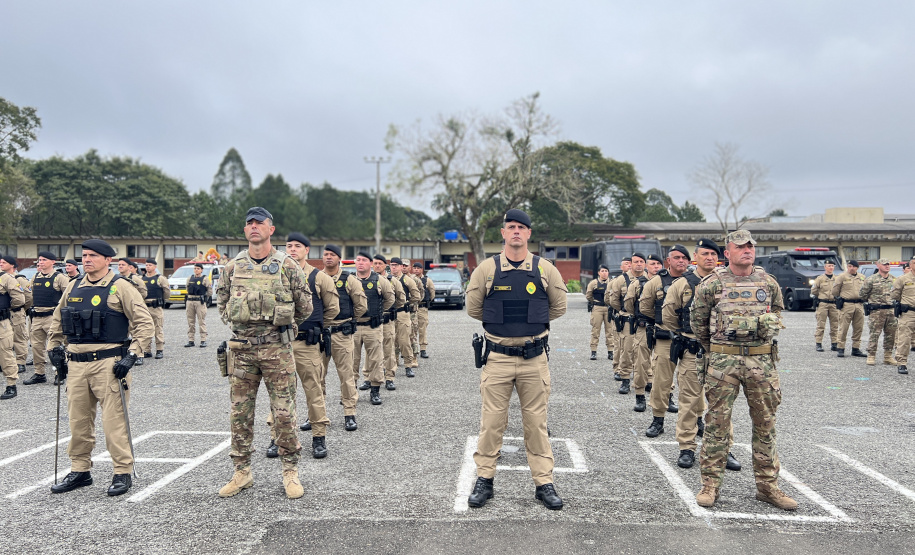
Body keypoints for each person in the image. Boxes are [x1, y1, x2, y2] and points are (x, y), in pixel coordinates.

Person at [465, 208, 568, 510]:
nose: (516, 232)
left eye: (522, 227)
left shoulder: (545, 269)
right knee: (492, 422)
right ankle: (485, 479)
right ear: (503, 233)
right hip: (497, 357)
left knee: (536, 423)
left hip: (534, 358)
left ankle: (544, 482)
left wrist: (531, 321)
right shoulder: (486, 269)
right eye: (511, 227)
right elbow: (474, 309)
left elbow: (559, 306)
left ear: (529, 234)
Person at [691, 230, 796, 511]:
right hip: (723, 363)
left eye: (750, 246)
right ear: (728, 252)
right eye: (740, 246)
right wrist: (719, 349)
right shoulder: (712, 284)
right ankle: (710, 485)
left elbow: (776, 316)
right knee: (717, 426)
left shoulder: (768, 282)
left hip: (762, 363)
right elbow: (699, 325)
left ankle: (768, 487)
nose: (747, 250)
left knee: (765, 426)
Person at [216, 207, 312, 499]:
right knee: (240, 413)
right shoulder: (232, 268)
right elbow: (222, 307)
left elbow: (305, 306)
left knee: (284, 413)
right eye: (249, 224)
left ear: (271, 230)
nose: (254, 227)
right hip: (242, 349)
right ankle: (242, 472)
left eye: (260, 223)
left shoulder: (288, 265)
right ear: (245, 231)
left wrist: (282, 330)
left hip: (277, 350)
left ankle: (290, 471)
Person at [46, 239, 154, 496]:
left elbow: (144, 323)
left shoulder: (120, 288)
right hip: (76, 364)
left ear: (108, 260)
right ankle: (80, 470)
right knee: (78, 421)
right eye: (84, 255)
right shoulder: (72, 286)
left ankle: (122, 472)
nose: (86, 259)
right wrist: (54, 350)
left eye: (93, 255)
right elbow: (58, 321)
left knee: (114, 421)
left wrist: (132, 355)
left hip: (109, 364)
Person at [663, 239, 741, 471]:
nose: (709, 258)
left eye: (713, 254)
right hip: (692, 351)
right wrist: (686, 333)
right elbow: (668, 316)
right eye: (704, 253)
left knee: (722, 404)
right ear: (695, 257)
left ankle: (723, 449)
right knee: (689, 401)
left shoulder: (729, 283)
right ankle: (687, 448)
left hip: (722, 353)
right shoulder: (683, 284)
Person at [266, 233, 337, 459]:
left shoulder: (319, 277)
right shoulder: (275, 273)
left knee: (313, 391)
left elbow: (332, 308)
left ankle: (319, 438)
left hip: (307, 343)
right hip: (281, 344)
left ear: (307, 250)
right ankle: (277, 438)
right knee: (280, 393)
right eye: (289, 246)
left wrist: (313, 327)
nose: (293, 249)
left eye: (298, 246)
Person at [640, 245, 689, 431]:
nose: (681, 261)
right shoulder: (657, 281)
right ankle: (658, 419)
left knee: (694, 382)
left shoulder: (694, 281)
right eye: (677, 258)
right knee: (661, 380)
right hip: (665, 337)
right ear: (669, 261)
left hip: (690, 338)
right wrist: (662, 322)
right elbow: (645, 307)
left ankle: (697, 419)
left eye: (684, 258)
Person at [321, 243, 367, 431]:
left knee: (346, 376)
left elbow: (361, 306)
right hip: (321, 336)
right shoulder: (317, 277)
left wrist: (348, 320)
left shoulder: (349, 279)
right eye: (326, 254)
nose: (329, 257)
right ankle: (316, 415)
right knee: (317, 377)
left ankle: (349, 413)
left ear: (339, 258)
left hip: (341, 334)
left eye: (332, 254)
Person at [353, 252, 395, 404]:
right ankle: (350, 393)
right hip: (354, 327)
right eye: (358, 260)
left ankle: (375, 391)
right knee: (351, 361)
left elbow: (390, 298)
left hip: (373, 326)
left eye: (364, 260)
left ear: (370, 263)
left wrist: (378, 312)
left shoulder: (380, 280)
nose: (360, 263)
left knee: (376, 359)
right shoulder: (349, 280)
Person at [25, 252, 70, 385]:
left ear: (53, 262)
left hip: (52, 317)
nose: (41, 262)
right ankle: (39, 373)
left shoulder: (60, 277)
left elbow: (68, 297)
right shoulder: (35, 277)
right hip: (37, 317)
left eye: (44, 260)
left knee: (55, 348)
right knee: (36, 348)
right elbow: (30, 295)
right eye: (39, 260)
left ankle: (59, 374)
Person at [625, 253, 662, 408]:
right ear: (648, 266)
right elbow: (628, 304)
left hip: (663, 328)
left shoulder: (669, 282)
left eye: (658, 264)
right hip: (643, 327)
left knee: (664, 364)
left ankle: (668, 396)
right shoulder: (638, 283)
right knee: (641, 363)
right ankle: (640, 396)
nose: (655, 267)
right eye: (652, 264)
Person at [607, 254, 644, 393]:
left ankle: (645, 380)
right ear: (630, 264)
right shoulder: (620, 280)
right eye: (635, 262)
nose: (638, 264)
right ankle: (625, 379)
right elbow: (613, 301)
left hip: (644, 321)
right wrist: (625, 311)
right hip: (627, 320)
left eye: (641, 262)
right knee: (627, 350)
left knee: (644, 353)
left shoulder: (650, 279)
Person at [859, 258, 898, 366]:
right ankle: (871, 355)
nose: (887, 266)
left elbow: (898, 294)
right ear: (878, 265)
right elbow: (863, 295)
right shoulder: (871, 279)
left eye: (888, 264)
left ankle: (888, 356)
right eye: (884, 264)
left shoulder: (894, 280)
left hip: (891, 310)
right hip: (877, 311)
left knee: (891, 334)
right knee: (874, 334)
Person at [374, 255, 404, 390]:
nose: (377, 266)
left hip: (386, 321)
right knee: (372, 352)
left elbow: (401, 299)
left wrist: (389, 310)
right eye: (374, 263)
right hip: (372, 322)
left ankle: (390, 377)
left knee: (388, 350)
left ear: (385, 265)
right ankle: (370, 378)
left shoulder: (392, 281)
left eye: (380, 263)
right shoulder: (367, 280)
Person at [0, 256, 26, 400]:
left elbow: (20, 299)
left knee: (6, 353)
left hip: (2, 323)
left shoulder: (6, 278)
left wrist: (7, 309)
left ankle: (11, 385)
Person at [2, 257, 32, 378]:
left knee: (19, 337)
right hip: (4, 314)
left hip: (16, 312)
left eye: (4, 263)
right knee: (5, 339)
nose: (1, 264)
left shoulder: (19, 279)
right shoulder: (2, 278)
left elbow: (28, 297)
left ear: (12, 265)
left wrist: (20, 309)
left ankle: (20, 362)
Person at [389, 258, 420, 377]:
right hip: (390, 313)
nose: (394, 268)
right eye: (392, 265)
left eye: (396, 265)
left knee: (404, 340)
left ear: (401, 266)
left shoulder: (407, 280)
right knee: (390, 341)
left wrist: (406, 304)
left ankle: (408, 364)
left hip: (402, 313)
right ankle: (393, 363)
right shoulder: (387, 279)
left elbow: (416, 295)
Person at [832, 260, 867, 358]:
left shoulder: (862, 277)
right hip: (847, 305)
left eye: (854, 266)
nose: (852, 268)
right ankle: (841, 348)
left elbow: (865, 290)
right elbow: (835, 291)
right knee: (843, 327)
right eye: (850, 266)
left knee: (858, 328)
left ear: (857, 268)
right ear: (848, 267)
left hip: (859, 305)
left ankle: (856, 348)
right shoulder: (842, 277)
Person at [141, 258, 169, 359]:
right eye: (147, 265)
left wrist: (162, 301)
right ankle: (147, 350)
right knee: (146, 329)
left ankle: (159, 350)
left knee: (158, 329)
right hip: (145, 307)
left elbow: (166, 292)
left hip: (156, 307)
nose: (148, 267)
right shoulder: (142, 279)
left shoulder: (160, 278)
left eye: (150, 265)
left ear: (155, 267)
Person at [585, 265, 613, 361]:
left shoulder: (612, 283)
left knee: (610, 331)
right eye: (602, 271)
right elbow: (588, 295)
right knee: (595, 330)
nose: (604, 272)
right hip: (597, 308)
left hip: (609, 308)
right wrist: (594, 302)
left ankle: (610, 351)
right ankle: (593, 351)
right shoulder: (593, 283)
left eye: (606, 271)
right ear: (599, 272)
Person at [892, 257, 915, 374]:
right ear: (910, 265)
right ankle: (901, 363)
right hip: (909, 313)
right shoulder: (902, 279)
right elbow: (895, 295)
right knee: (904, 339)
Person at [811, 261, 840, 352]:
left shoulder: (837, 279)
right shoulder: (820, 279)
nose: (831, 267)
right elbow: (814, 290)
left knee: (835, 325)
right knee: (821, 324)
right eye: (829, 266)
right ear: (825, 267)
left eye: (832, 266)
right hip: (823, 304)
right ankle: (818, 343)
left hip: (834, 304)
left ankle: (834, 343)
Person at [184, 263, 211, 348]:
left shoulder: (205, 279)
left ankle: (203, 340)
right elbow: (187, 288)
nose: (196, 270)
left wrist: (205, 299)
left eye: (198, 268)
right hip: (190, 301)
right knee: (190, 321)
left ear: (201, 270)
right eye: (195, 268)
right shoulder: (190, 278)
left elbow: (209, 291)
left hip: (200, 301)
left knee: (201, 321)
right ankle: (191, 340)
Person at [413, 262, 435, 359]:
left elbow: (432, 293)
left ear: (422, 269)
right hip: (412, 308)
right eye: (415, 268)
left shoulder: (427, 280)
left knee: (422, 329)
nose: (416, 270)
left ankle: (423, 349)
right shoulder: (410, 279)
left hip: (422, 308)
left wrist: (426, 302)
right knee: (411, 330)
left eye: (418, 268)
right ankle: (412, 350)